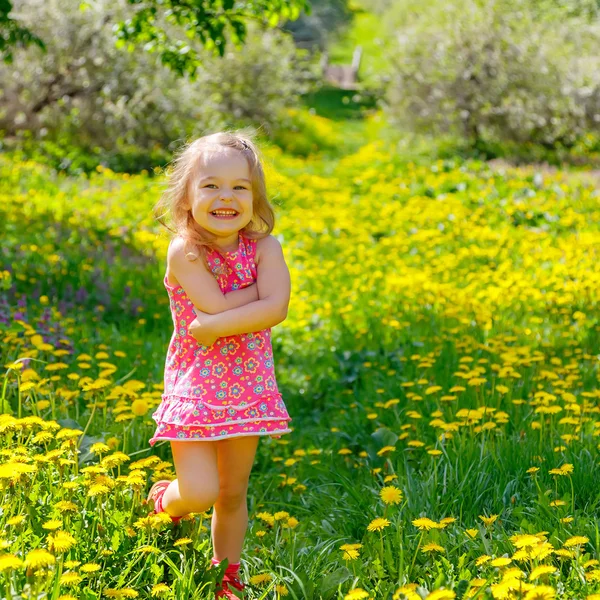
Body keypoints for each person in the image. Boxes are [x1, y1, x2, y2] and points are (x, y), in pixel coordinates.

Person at [146, 130, 293, 599]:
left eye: (239, 187)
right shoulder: (185, 251)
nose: (225, 197)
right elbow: (214, 312)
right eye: (210, 185)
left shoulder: (267, 248)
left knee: (231, 493)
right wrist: (263, 298)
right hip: (195, 388)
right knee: (201, 491)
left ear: (256, 197)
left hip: (247, 388)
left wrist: (258, 306)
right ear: (187, 197)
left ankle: (224, 576)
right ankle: (165, 502)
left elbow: (275, 311)